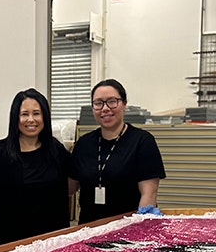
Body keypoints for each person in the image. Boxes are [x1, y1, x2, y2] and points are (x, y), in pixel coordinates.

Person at [0, 88, 75, 247]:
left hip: (51, 241)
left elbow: (70, 188)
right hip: (9, 241)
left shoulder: (56, 150)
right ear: (15, 117)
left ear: (45, 117)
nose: (31, 119)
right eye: (24, 114)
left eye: (37, 113)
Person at [71, 78, 166, 224]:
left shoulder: (142, 141)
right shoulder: (84, 144)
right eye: (98, 103)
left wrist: (140, 229)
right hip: (88, 228)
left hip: (127, 230)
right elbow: (70, 187)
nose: (105, 108)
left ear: (124, 104)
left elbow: (149, 195)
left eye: (112, 101)